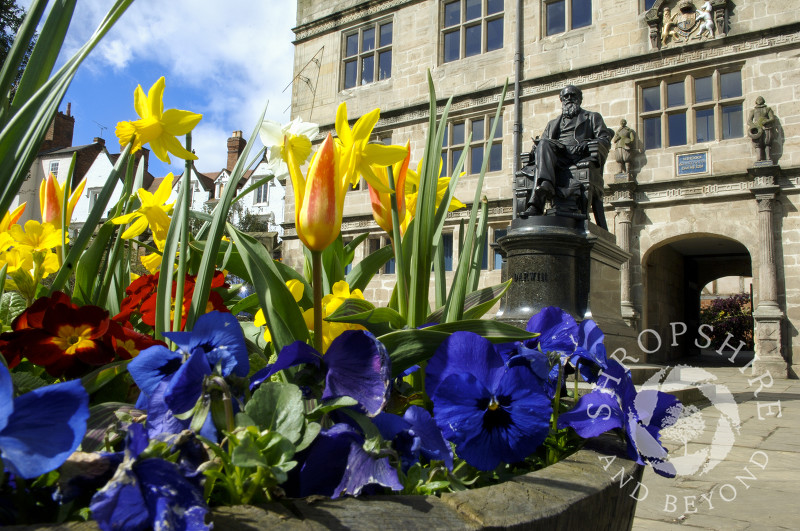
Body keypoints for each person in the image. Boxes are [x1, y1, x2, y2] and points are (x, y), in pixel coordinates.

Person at [522, 85, 613, 217]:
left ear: (579, 99)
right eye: (566, 96)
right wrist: (535, 148)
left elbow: (605, 139)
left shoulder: (592, 117)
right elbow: (542, 145)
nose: (569, 98)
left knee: (544, 144)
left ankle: (539, 198)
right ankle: (544, 187)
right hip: (556, 157)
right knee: (543, 143)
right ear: (562, 100)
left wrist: (587, 144)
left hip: (578, 155)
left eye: (573, 95)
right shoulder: (552, 123)